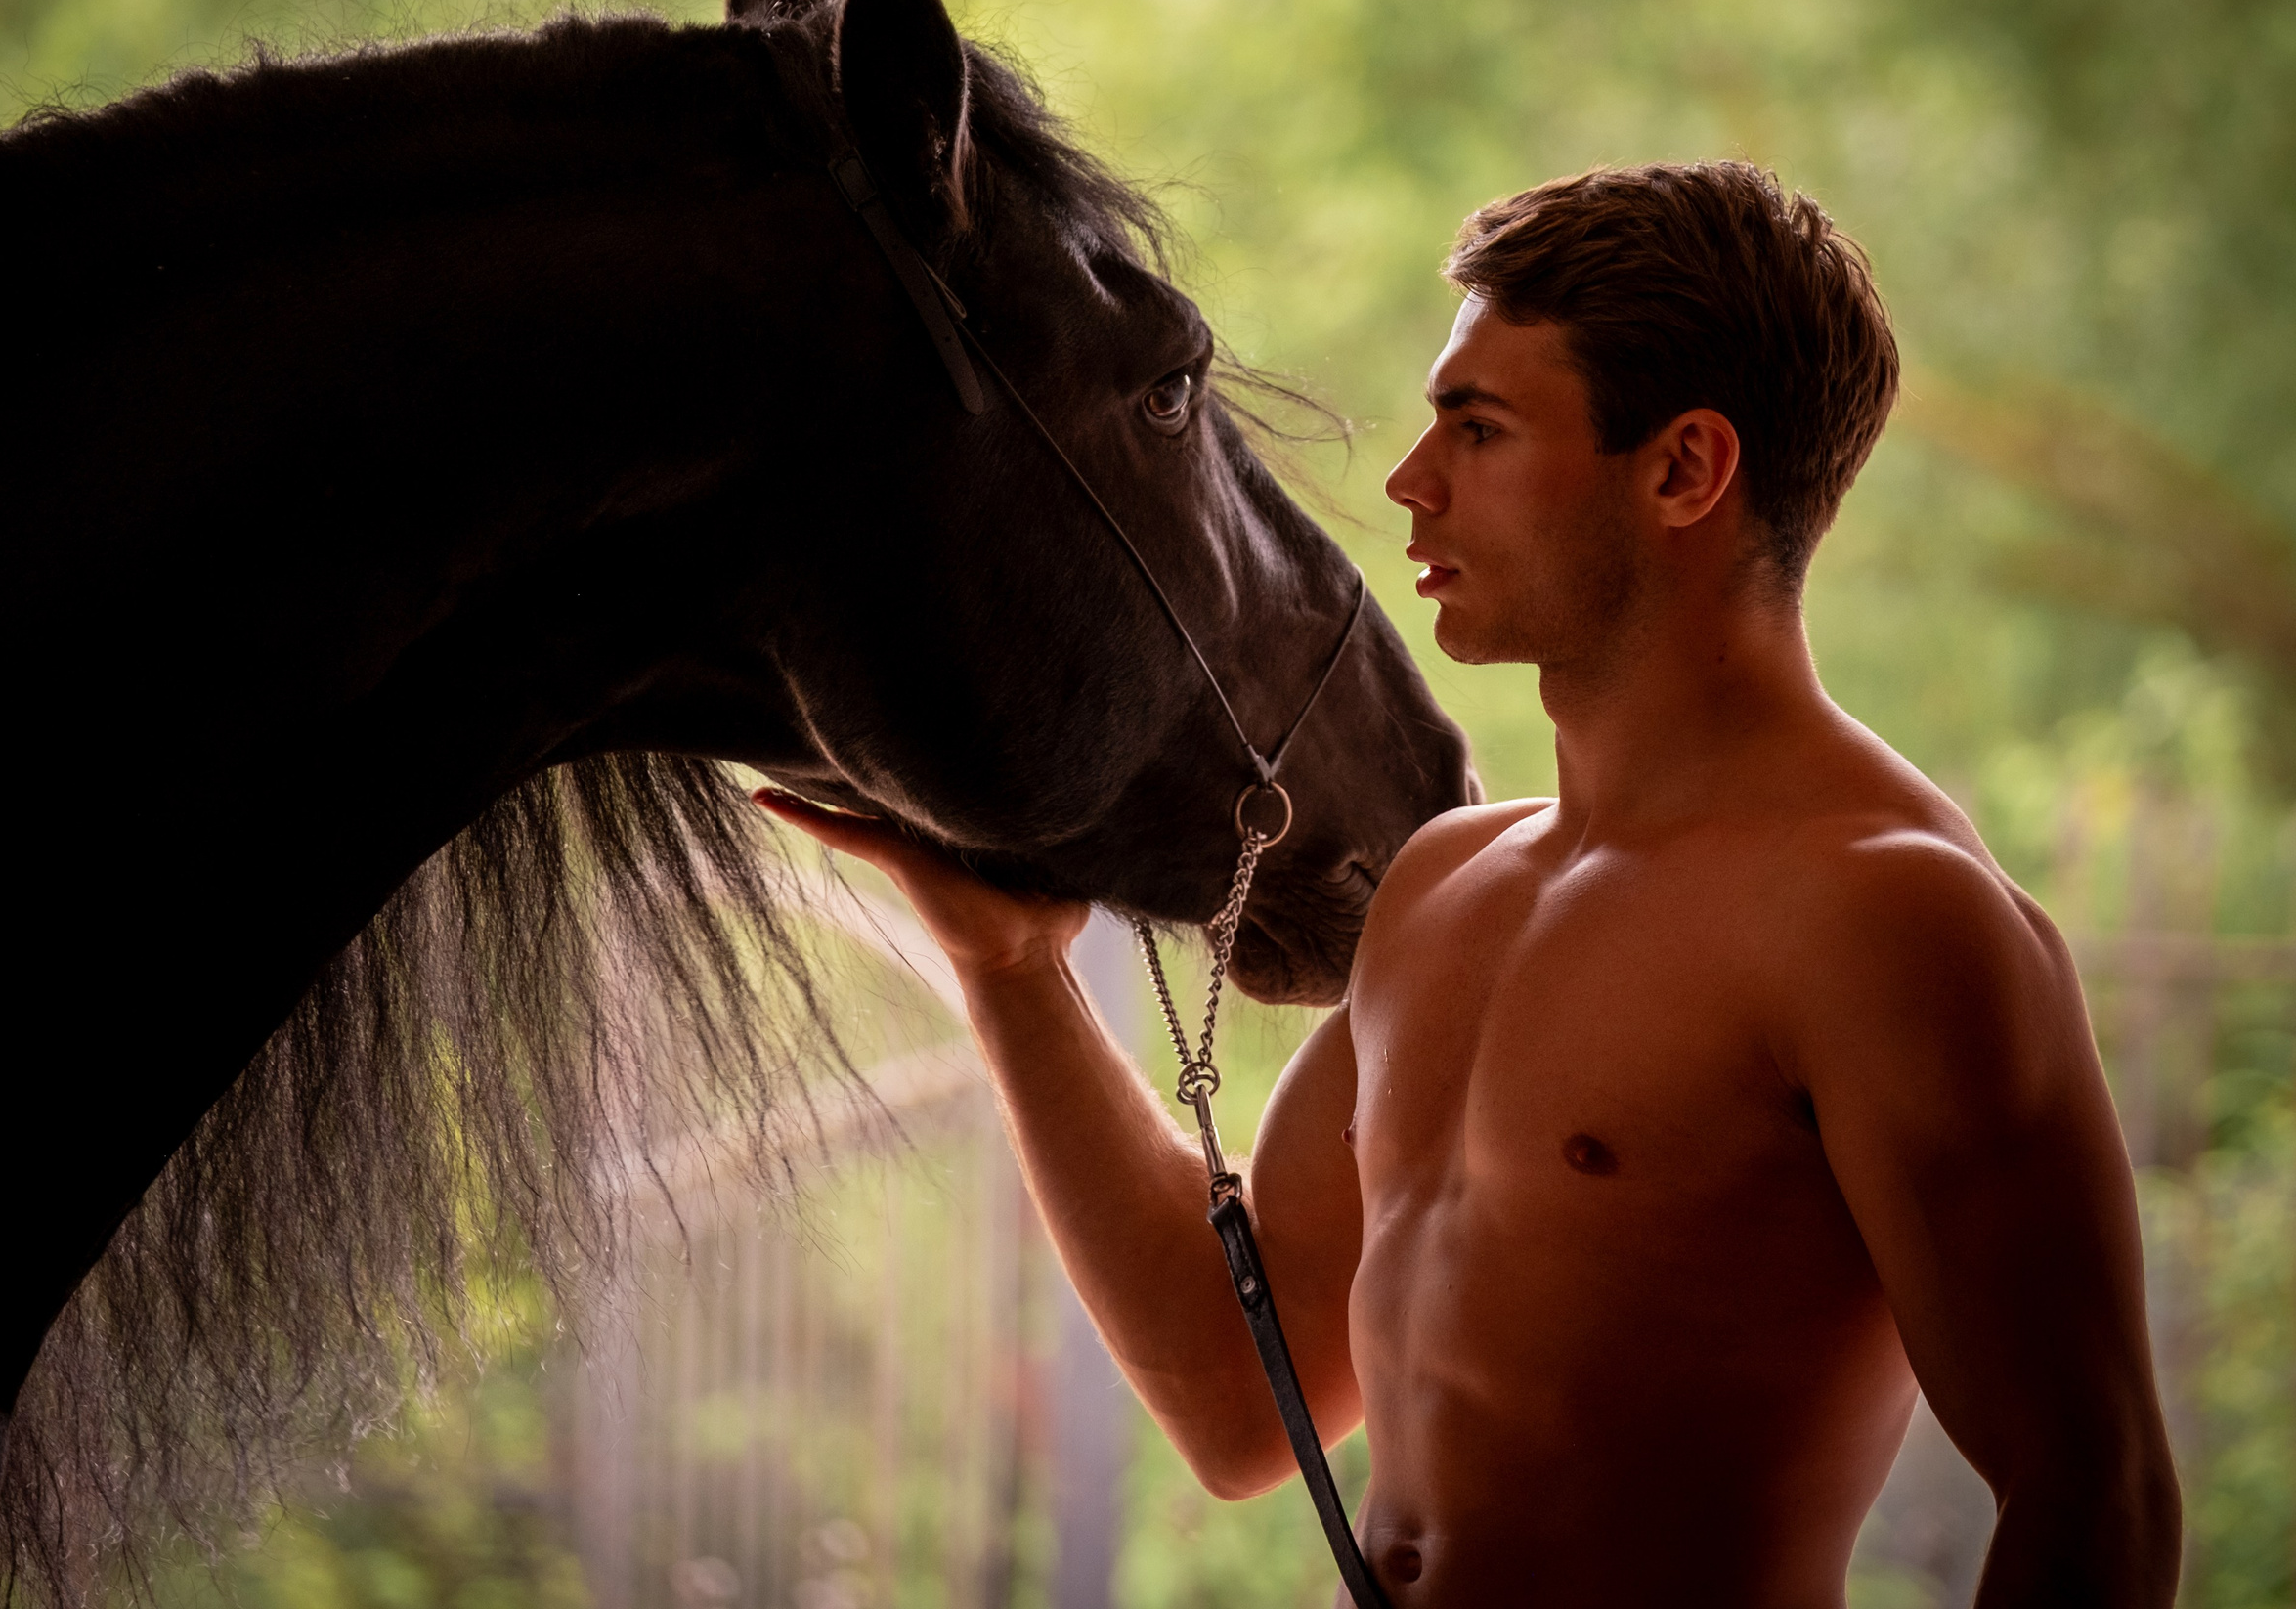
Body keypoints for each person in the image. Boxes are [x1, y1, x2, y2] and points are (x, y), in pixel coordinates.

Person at [758, 162, 2181, 1605]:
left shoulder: (1887, 918)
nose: (1407, 484)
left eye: (1480, 430)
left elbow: (2095, 1499)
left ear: (1685, 470)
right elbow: (1242, 1405)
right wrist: (1013, 972)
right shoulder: (1447, 887)